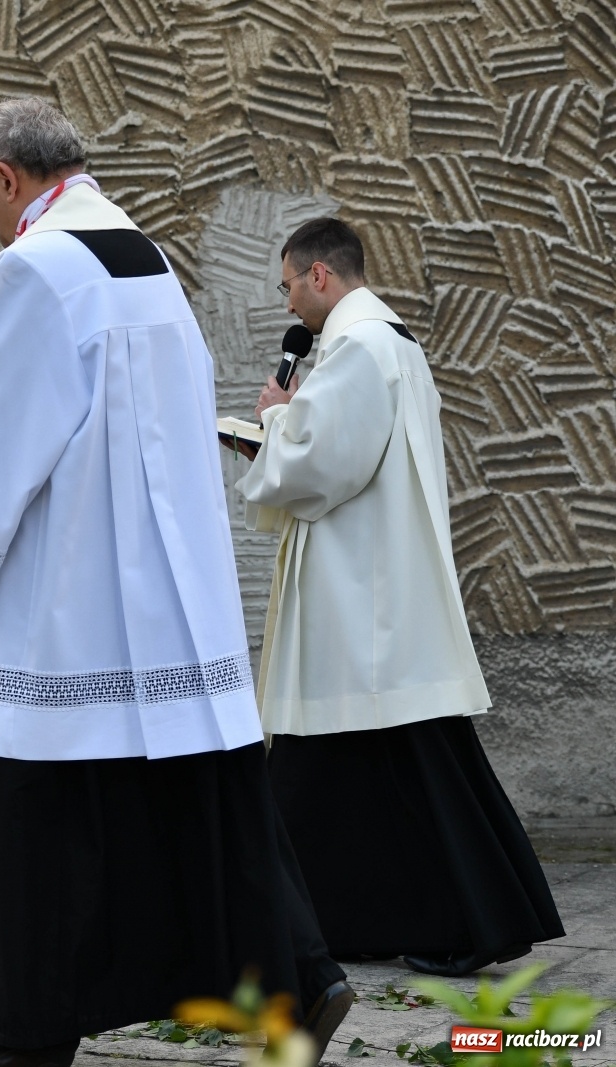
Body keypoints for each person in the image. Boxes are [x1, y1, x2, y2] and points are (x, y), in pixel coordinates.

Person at [0, 98, 352, 1067]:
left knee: (46, 818)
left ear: (3, 178)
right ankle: (301, 978)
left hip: (74, 595)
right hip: (170, 594)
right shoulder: (142, 255)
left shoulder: (29, 269)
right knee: (200, 796)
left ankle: (25, 1036)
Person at [237, 217, 563, 977]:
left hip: (361, 597)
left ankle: (481, 918)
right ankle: (349, 924)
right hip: (372, 587)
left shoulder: (358, 348)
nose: (288, 304)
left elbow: (320, 465)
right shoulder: (390, 342)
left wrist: (269, 422)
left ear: (320, 275)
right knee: (373, 769)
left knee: (389, 763)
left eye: (288, 285)